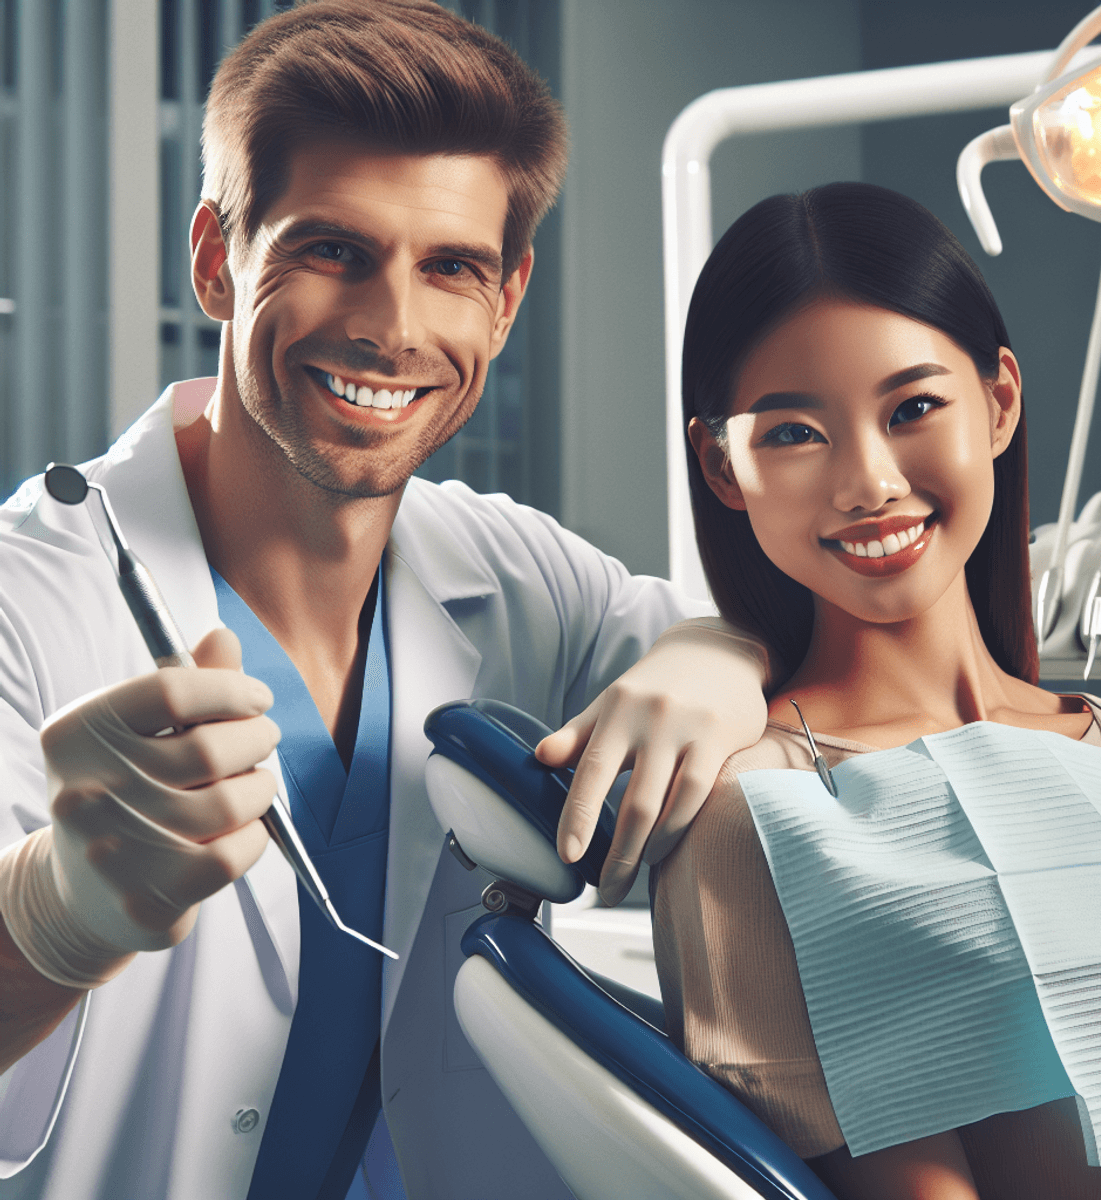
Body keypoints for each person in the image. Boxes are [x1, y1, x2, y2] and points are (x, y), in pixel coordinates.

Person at [0, 4, 777, 1198]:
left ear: (507, 300)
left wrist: (721, 651)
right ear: (217, 255)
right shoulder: (28, 595)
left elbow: (772, 653)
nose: (393, 327)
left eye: (451, 268)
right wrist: (55, 914)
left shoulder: (516, 570)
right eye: (331, 251)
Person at [652, 181, 1101, 1200]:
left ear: (998, 401)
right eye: (793, 433)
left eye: (912, 409)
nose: (868, 482)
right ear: (719, 465)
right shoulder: (755, 810)